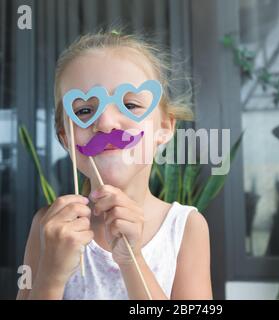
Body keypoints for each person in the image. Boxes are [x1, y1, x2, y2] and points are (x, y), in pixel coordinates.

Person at [17, 29, 212, 300]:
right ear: (65, 137)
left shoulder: (186, 227)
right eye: (84, 110)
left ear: (165, 127)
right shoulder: (48, 227)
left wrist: (133, 261)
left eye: (130, 104)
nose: (106, 123)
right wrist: (51, 274)